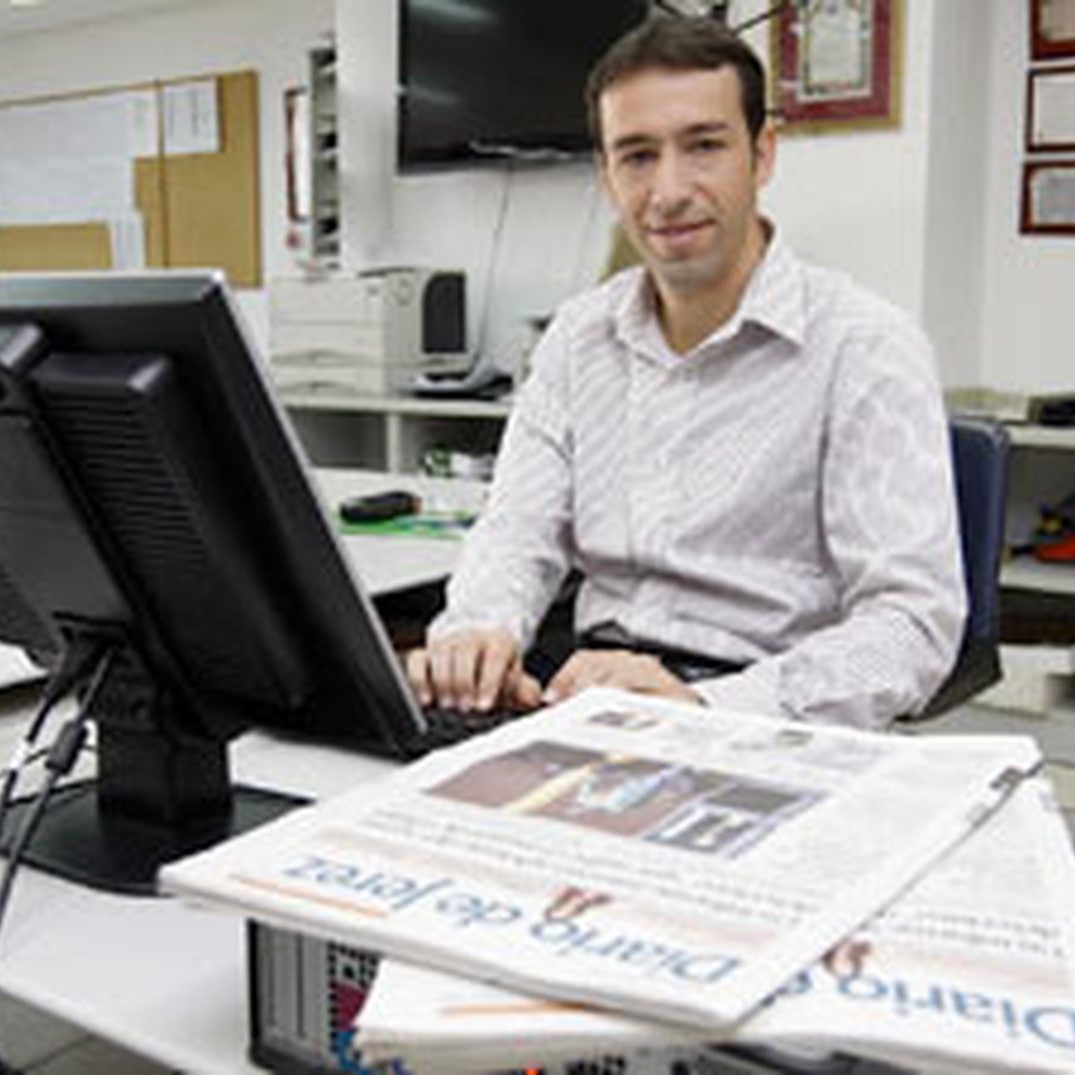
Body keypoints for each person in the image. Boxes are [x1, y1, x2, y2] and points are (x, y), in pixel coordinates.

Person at [404, 15, 963, 729]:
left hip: (765, 712)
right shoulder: (578, 337)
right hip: (590, 694)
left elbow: (911, 627)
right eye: (637, 156)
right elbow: (517, 530)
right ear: (607, 176)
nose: (667, 190)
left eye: (703, 146)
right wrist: (478, 632)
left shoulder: (866, 346)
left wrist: (704, 704)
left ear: (762, 154)